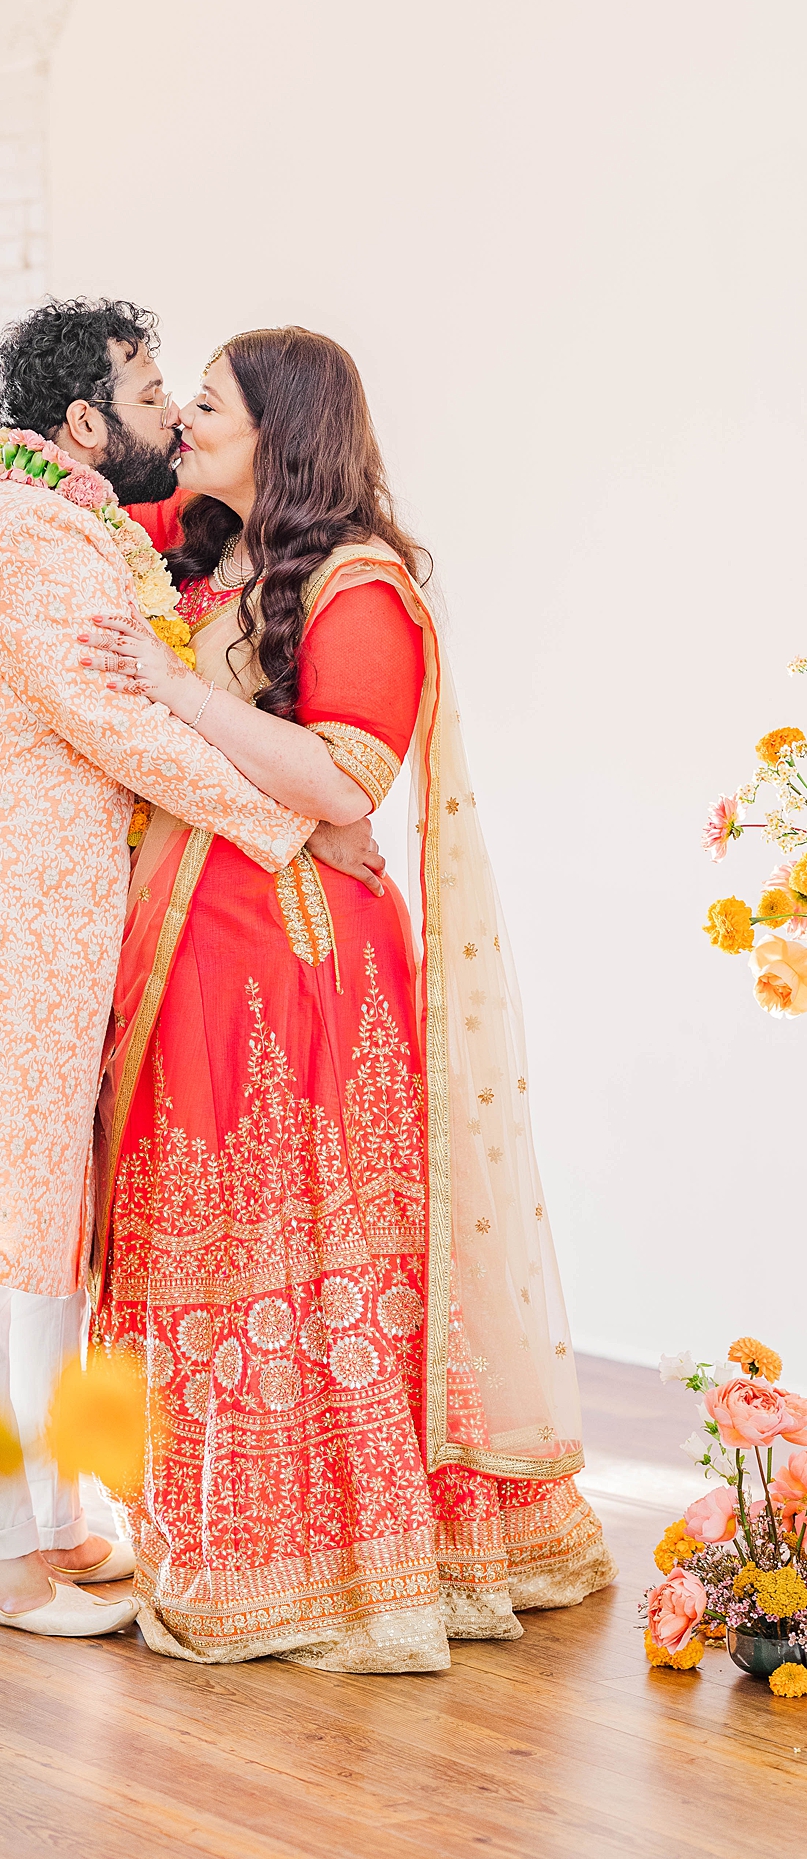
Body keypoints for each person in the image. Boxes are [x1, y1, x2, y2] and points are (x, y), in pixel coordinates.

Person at [0, 300, 379, 1640]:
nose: (170, 420)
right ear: (79, 424)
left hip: (29, 943)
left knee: (40, 1239)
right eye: (147, 395)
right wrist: (303, 821)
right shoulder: (30, 539)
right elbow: (122, 722)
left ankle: (50, 1521)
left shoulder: (63, 525)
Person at [68, 327, 616, 1672]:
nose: (182, 423)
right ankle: (220, 1532)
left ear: (283, 431)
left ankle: (336, 1552)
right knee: (196, 1222)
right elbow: (60, 499)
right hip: (190, 948)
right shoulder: (201, 552)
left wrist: (166, 690)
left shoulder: (356, 583)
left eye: (207, 405)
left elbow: (345, 785)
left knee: (296, 1223)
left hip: (298, 960)